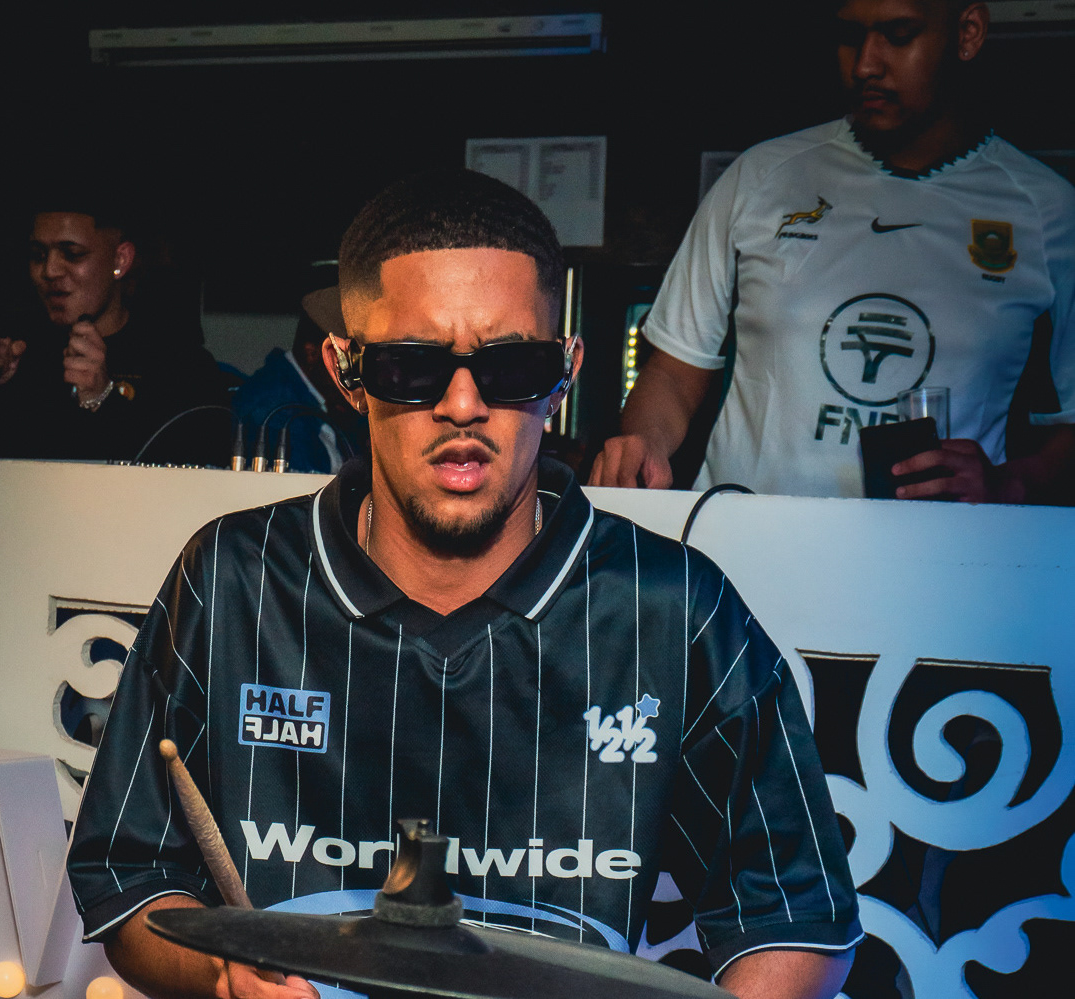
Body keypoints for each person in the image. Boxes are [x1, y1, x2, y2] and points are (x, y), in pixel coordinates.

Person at [66, 169, 862, 999]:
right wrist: (224, 978)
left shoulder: (672, 607)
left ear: (563, 372)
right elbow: (129, 873)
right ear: (346, 370)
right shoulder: (234, 576)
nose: (461, 404)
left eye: (510, 364)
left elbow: (793, 916)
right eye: (410, 366)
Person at [589, 0, 1075, 503]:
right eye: (850, 36)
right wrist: (644, 441)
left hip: (939, 545)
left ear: (968, 32)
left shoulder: (1046, 212)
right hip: (746, 541)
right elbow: (673, 371)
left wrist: (1010, 483)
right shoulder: (761, 178)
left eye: (899, 34)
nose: (865, 64)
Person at [0, 185, 232, 465]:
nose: (50, 271)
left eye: (72, 254)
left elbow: (195, 470)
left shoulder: (179, 363)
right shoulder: (18, 352)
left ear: (120, 260)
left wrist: (103, 400)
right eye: (38, 255)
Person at [231, 285, 368, 473]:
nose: (357, 374)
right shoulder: (271, 408)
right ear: (312, 354)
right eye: (346, 361)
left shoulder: (319, 400)